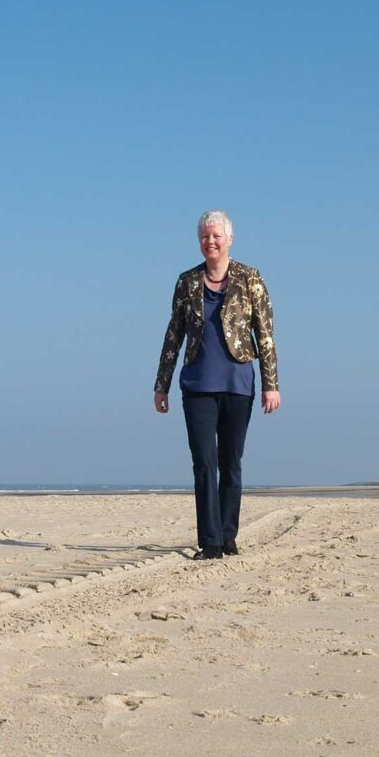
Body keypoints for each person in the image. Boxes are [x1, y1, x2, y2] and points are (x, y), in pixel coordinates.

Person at [153, 210, 280, 559]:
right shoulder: (187, 281)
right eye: (205, 236)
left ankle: (228, 535)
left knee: (231, 462)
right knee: (204, 462)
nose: (211, 241)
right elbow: (173, 335)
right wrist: (161, 384)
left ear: (229, 240)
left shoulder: (250, 278)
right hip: (196, 385)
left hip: (239, 383)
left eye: (216, 236)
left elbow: (265, 334)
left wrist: (271, 385)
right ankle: (209, 541)